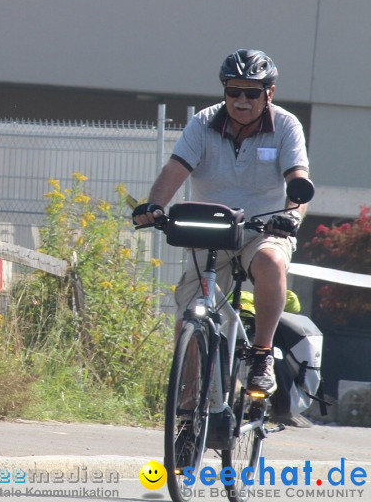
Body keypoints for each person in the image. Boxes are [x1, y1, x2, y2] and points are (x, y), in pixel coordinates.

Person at [132, 49, 310, 397]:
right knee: (190, 321)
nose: (241, 101)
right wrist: (154, 205)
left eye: (252, 93)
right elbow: (175, 170)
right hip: (212, 229)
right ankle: (186, 417)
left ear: (269, 93)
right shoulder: (203, 122)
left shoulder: (286, 125)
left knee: (271, 261)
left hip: (265, 229)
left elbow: (298, 179)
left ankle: (261, 355)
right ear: (225, 91)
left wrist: (291, 215)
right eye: (234, 91)